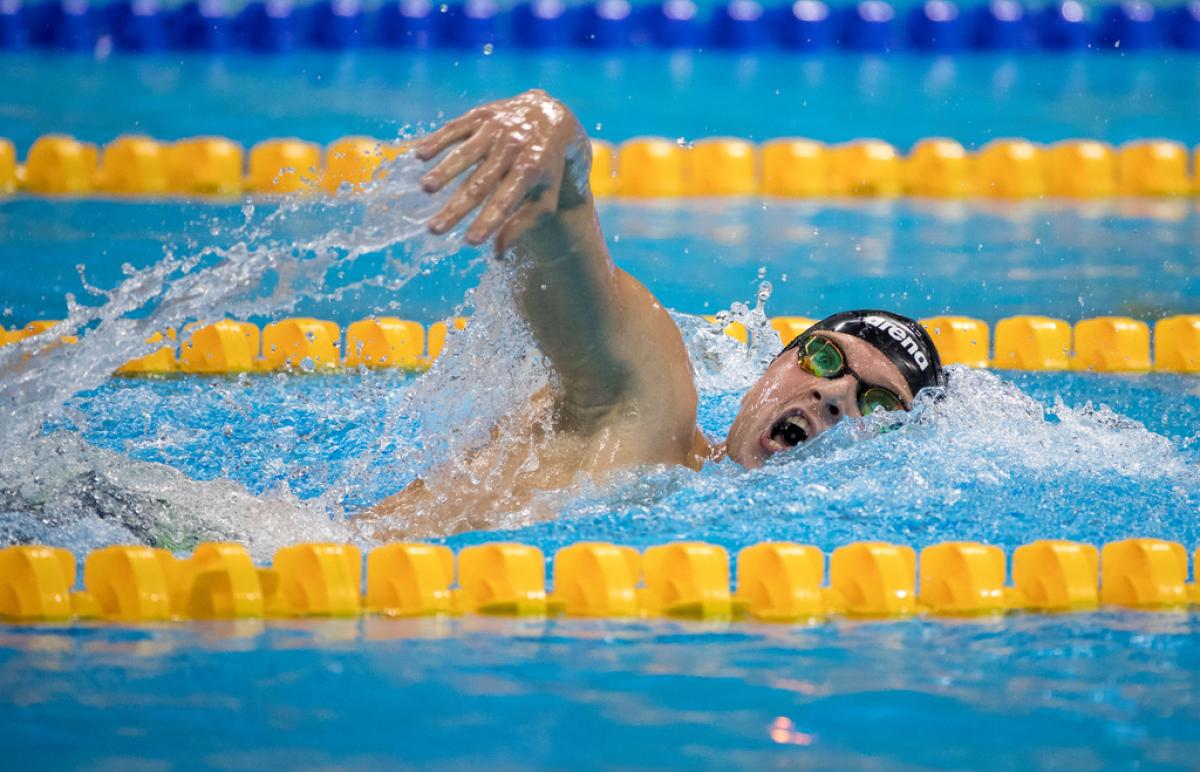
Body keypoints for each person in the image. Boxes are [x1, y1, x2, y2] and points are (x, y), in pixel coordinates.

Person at [367, 90, 945, 537]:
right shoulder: (651, 417)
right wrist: (556, 135)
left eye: (878, 404)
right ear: (771, 367)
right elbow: (588, 293)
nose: (837, 395)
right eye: (825, 359)